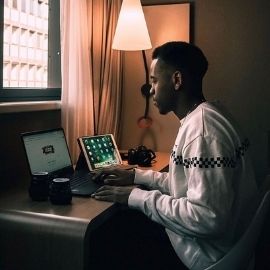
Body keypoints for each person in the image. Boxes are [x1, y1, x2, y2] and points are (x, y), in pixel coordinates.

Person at [91, 41, 258, 269]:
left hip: (209, 256)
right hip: (228, 243)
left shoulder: (202, 131)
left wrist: (136, 197)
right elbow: (188, 183)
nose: (151, 90)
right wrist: (136, 177)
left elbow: (206, 218)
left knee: (115, 235)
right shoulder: (209, 116)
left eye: (155, 80)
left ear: (177, 80)